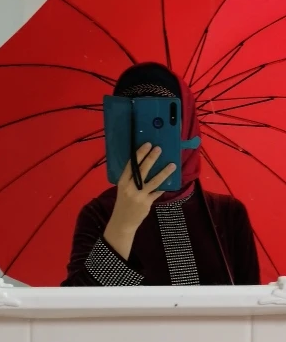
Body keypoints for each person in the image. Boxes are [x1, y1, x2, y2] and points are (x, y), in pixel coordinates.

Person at [61, 62, 260, 286]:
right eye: (131, 121)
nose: (144, 135)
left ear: (187, 127)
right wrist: (123, 224)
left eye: (160, 122)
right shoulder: (100, 213)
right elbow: (80, 303)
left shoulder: (227, 214)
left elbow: (251, 304)